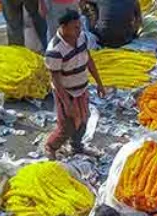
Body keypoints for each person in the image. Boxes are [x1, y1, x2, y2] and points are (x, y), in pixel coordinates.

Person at [44, 10, 106, 160]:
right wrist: (67, 104)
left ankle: (76, 146)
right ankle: (51, 146)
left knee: (84, 120)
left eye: (79, 26)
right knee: (67, 126)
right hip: (66, 92)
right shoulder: (55, 50)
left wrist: (99, 83)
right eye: (75, 28)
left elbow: (88, 60)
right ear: (64, 28)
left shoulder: (81, 37)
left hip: (81, 88)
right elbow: (56, 81)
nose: (79, 31)